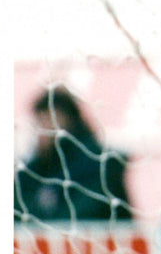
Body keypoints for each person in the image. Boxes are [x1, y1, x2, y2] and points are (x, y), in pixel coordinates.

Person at [14, 84, 132, 224]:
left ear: (69, 120)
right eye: (39, 122)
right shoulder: (34, 171)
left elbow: (86, 211)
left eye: (49, 120)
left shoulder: (100, 164)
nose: (43, 129)